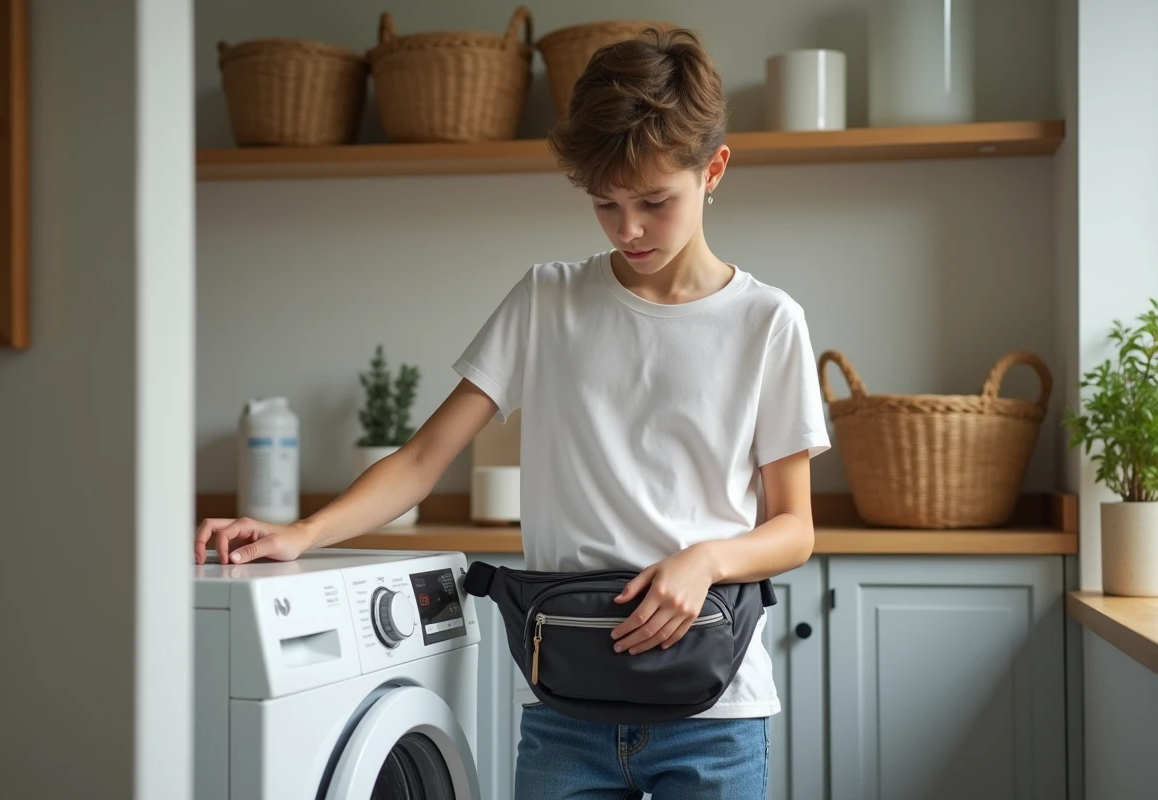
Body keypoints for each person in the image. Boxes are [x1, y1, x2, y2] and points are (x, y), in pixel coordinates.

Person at [194, 27, 830, 800]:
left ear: (714, 170)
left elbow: (793, 527)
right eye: (605, 204)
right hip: (567, 716)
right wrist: (300, 534)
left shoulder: (768, 322)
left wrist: (707, 561)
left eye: (654, 202)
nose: (627, 229)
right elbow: (424, 461)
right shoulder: (547, 300)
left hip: (717, 715)